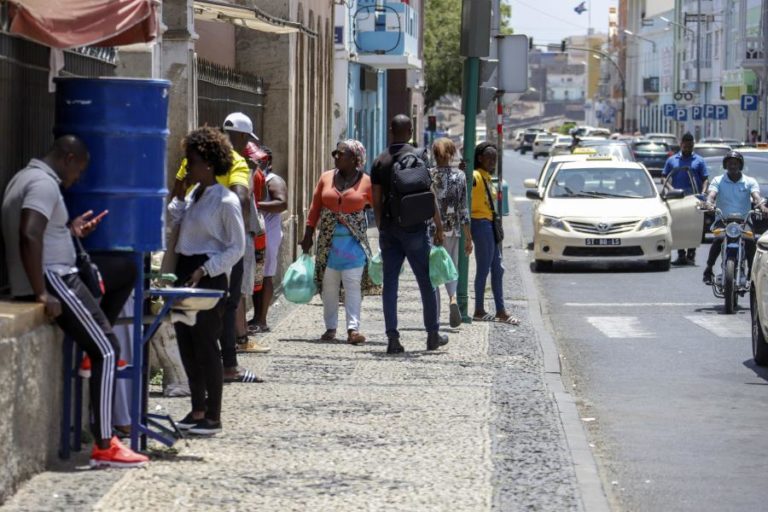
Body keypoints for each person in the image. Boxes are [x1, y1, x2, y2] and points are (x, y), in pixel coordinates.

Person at [1, 136, 148, 467]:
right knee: (108, 349)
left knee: (124, 269)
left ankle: (91, 345)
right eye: (78, 170)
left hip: (58, 272)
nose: (77, 178)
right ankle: (105, 444)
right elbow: (29, 233)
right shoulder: (43, 184)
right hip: (56, 278)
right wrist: (41, 291)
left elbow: (42, 230)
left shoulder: (27, 177)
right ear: (68, 158)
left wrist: (69, 231)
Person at [172, 112, 262, 383]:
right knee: (226, 306)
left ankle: (209, 385)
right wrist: (229, 224)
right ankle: (228, 367)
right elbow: (242, 198)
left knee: (197, 317)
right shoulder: (236, 162)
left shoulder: (195, 160)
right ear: (243, 138)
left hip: (195, 252)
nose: (190, 169)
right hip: (220, 250)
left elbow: (177, 187)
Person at [168, 127, 246, 435]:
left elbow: (236, 246)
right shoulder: (193, 194)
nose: (188, 166)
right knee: (186, 344)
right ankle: (197, 408)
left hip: (207, 275)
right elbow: (176, 222)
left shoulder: (225, 201)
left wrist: (206, 268)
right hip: (184, 271)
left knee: (206, 345)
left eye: (193, 161)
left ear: (210, 163)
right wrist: (179, 192)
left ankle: (213, 416)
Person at [371, 114, 448, 354]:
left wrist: (382, 225)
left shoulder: (380, 161)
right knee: (426, 282)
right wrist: (438, 225)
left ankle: (393, 338)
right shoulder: (420, 155)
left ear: (390, 129)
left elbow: (375, 200)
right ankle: (432, 334)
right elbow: (429, 193)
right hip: (416, 228)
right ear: (411, 130)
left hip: (390, 229)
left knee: (390, 284)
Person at [300, 140, 375, 344]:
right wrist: (308, 235)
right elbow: (315, 208)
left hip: (353, 245)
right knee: (329, 286)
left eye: (340, 154)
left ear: (354, 159)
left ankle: (353, 329)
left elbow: (379, 208)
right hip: (328, 243)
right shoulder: (326, 178)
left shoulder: (366, 182)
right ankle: (330, 328)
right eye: (335, 153)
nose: (336, 157)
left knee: (352, 285)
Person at [701, 151, 768, 284]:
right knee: (718, 239)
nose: (733, 166)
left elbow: (756, 197)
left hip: (743, 221)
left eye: (736, 163)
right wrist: (709, 203)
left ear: (740, 165)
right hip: (723, 220)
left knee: (749, 241)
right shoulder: (718, 180)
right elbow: (711, 194)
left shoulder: (750, 181)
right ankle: (708, 269)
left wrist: (762, 206)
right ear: (725, 165)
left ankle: (751, 271)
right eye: (730, 163)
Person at [470, 142, 518, 325]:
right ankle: (479, 309)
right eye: (489, 158)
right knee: (483, 269)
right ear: (480, 158)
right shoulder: (476, 176)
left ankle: (500, 310)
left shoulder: (487, 177)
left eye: (495, 159)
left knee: (498, 269)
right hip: (480, 224)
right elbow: (467, 184)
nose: (492, 161)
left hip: (489, 225)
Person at [430, 137, 472, 328]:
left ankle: (435, 316)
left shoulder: (428, 175)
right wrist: (468, 237)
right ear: (452, 154)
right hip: (453, 230)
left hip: (431, 230)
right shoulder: (460, 177)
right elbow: (463, 209)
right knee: (451, 267)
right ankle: (453, 298)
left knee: (433, 273)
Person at [251, 146, 288, 333]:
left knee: (265, 275)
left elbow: (281, 203)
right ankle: (255, 317)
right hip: (256, 232)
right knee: (256, 275)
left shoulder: (273, 180)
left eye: (261, 160)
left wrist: (254, 204)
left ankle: (262, 318)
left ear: (269, 162)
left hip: (269, 234)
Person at [662, 132, 709, 265]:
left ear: (693, 145)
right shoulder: (672, 160)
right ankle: (681, 254)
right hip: (677, 198)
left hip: (694, 198)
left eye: (690, 146)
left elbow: (705, 179)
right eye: (685, 146)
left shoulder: (699, 161)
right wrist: (671, 190)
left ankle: (691, 255)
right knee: (678, 226)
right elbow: (664, 177)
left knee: (694, 227)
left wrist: (703, 193)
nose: (688, 149)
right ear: (681, 145)